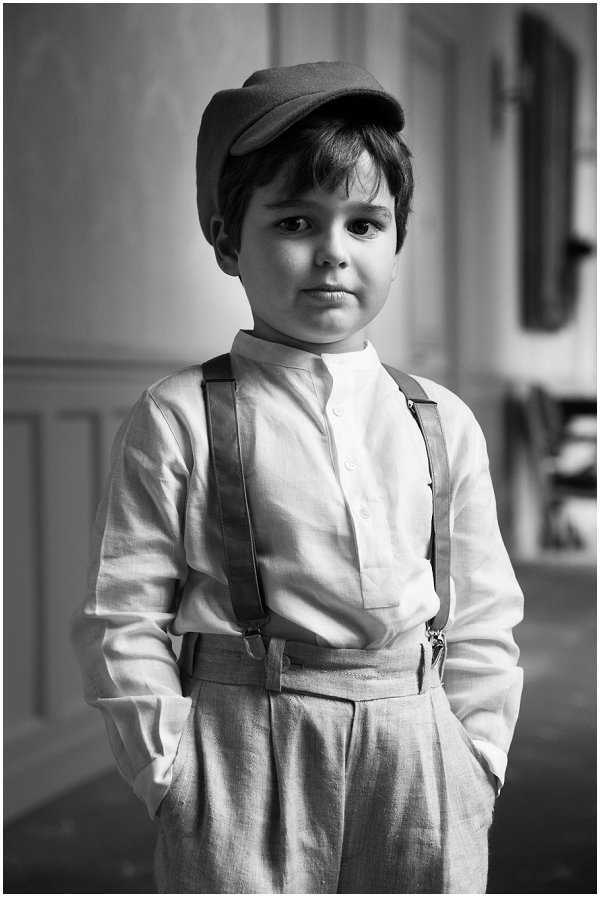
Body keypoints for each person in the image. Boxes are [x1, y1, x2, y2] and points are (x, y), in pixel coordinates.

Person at [72, 61, 523, 894]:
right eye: (295, 222)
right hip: (244, 743)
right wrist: (170, 770)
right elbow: (120, 612)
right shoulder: (177, 415)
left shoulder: (441, 420)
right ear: (226, 239)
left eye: (364, 224)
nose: (333, 256)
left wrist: (478, 759)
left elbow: (484, 609)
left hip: (419, 743)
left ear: (397, 239)